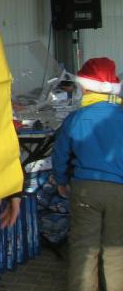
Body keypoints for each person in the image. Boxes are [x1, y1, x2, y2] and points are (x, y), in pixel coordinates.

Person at [53, 57, 123, 291]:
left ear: (84, 86)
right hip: (119, 191)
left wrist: (61, 180)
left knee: (84, 247)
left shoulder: (76, 117)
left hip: (85, 189)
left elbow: (60, 153)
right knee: (116, 249)